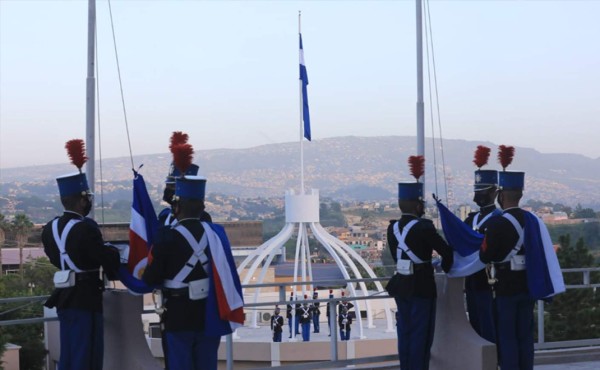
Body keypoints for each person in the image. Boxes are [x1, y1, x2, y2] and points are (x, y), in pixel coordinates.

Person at [142, 167, 243, 370]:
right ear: (202, 206)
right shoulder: (216, 234)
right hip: (209, 312)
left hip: (178, 314)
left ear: (176, 207)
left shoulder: (166, 236)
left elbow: (151, 279)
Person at [42, 139, 121, 370]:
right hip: (86, 298)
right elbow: (104, 258)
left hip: (65, 297)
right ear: (81, 199)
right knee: (88, 356)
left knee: (70, 353)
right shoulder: (87, 227)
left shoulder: (49, 228)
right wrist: (114, 253)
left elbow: (55, 258)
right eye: (87, 198)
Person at [387, 155, 453, 370]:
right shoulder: (425, 227)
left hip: (401, 284)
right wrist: (446, 267)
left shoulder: (392, 228)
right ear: (417, 205)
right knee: (421, 335)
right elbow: (446, 251)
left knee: (404, 332)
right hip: (421, 286)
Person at [464, 146, 500, 344]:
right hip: (472, 280)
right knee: (476, 325)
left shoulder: (499, 219)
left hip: (491, 281)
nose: (478, 196)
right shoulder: (471, 219)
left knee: (490, 326)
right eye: (477, 191)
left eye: (483, 192)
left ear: (494, 192)